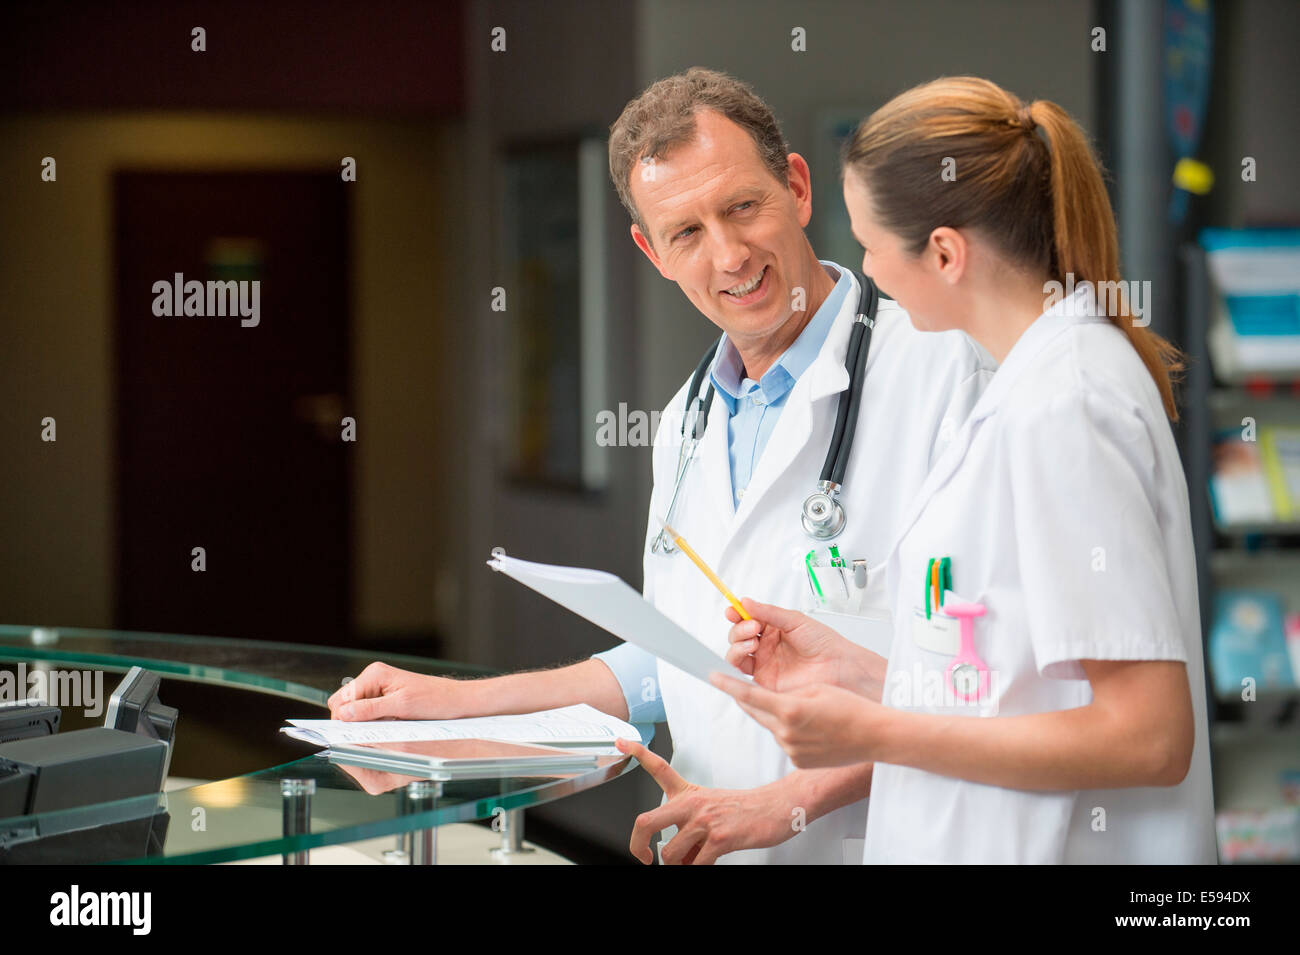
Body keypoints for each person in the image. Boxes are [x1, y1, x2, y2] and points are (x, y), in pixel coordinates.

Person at [329, 68, 990, 864]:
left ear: (799, 186)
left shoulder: (948, 374)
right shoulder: (683, 422)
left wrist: (787, 805)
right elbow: (671, 661)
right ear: (651, 251)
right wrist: (450, 705)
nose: (731, 254)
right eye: (686, 232)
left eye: (744, 206)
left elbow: (989, 683)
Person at [710, 76, 1218, 864]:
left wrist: (874, 730)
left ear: (945, 253)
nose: (868, 270)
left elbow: (1148, 737)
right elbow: (1023, 688)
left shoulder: (1067, 403)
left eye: (872, 244)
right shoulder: (1026, 386)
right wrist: (865, 673)